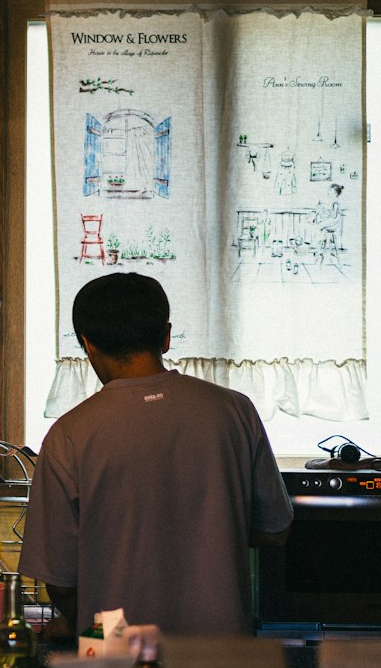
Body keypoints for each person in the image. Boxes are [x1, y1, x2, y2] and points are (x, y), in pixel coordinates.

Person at [18, 272, 292, 636]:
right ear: (166, 337)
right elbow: (275, 530)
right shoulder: (234, 412)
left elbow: (61, 581)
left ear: (88, 345)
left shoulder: (69, 435)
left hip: (118, 658)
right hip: (220, 657)